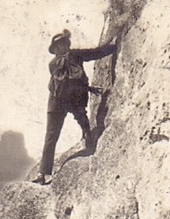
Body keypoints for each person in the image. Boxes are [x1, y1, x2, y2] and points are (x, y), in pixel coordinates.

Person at [33, 29, 116, 184]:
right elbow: (67, 80)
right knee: (51, 136)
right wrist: (87, 88)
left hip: (72, 98)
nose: (61, 47)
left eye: (63, 44)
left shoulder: (75, 55)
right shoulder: (54, 63)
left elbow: (95, 53)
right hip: (57, 101)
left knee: (82, 120)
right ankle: (43, 174)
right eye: (58, 46)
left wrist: (113, 46)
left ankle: (88, 138)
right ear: (55, 49)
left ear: (67, 44)